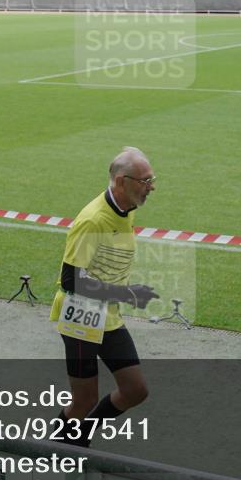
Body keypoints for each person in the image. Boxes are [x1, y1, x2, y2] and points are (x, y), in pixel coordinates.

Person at [50, 146, 160, 447]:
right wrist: (126, 293)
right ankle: (51, 457)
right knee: (83, 400)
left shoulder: (126, 208)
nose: (152, 187)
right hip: (79, 314)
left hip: (106, 313)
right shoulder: (93, 220)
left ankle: (80, 436)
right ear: (120, 181)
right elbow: (71, 280)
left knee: (135, 390)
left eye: (152, 179)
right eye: (145, 180)